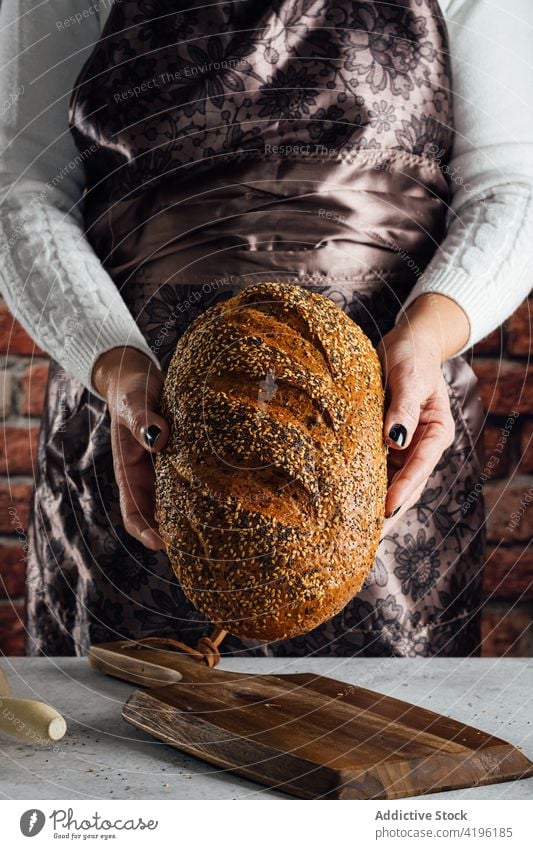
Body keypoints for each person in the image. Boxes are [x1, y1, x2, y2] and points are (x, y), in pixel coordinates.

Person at [0, 0, 532, 658]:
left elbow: (511, 183)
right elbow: (22, 189)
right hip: (132, 433)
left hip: (387, 442)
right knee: (118, 742)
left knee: (373, 749)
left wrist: (424, 335)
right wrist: (111, 359)